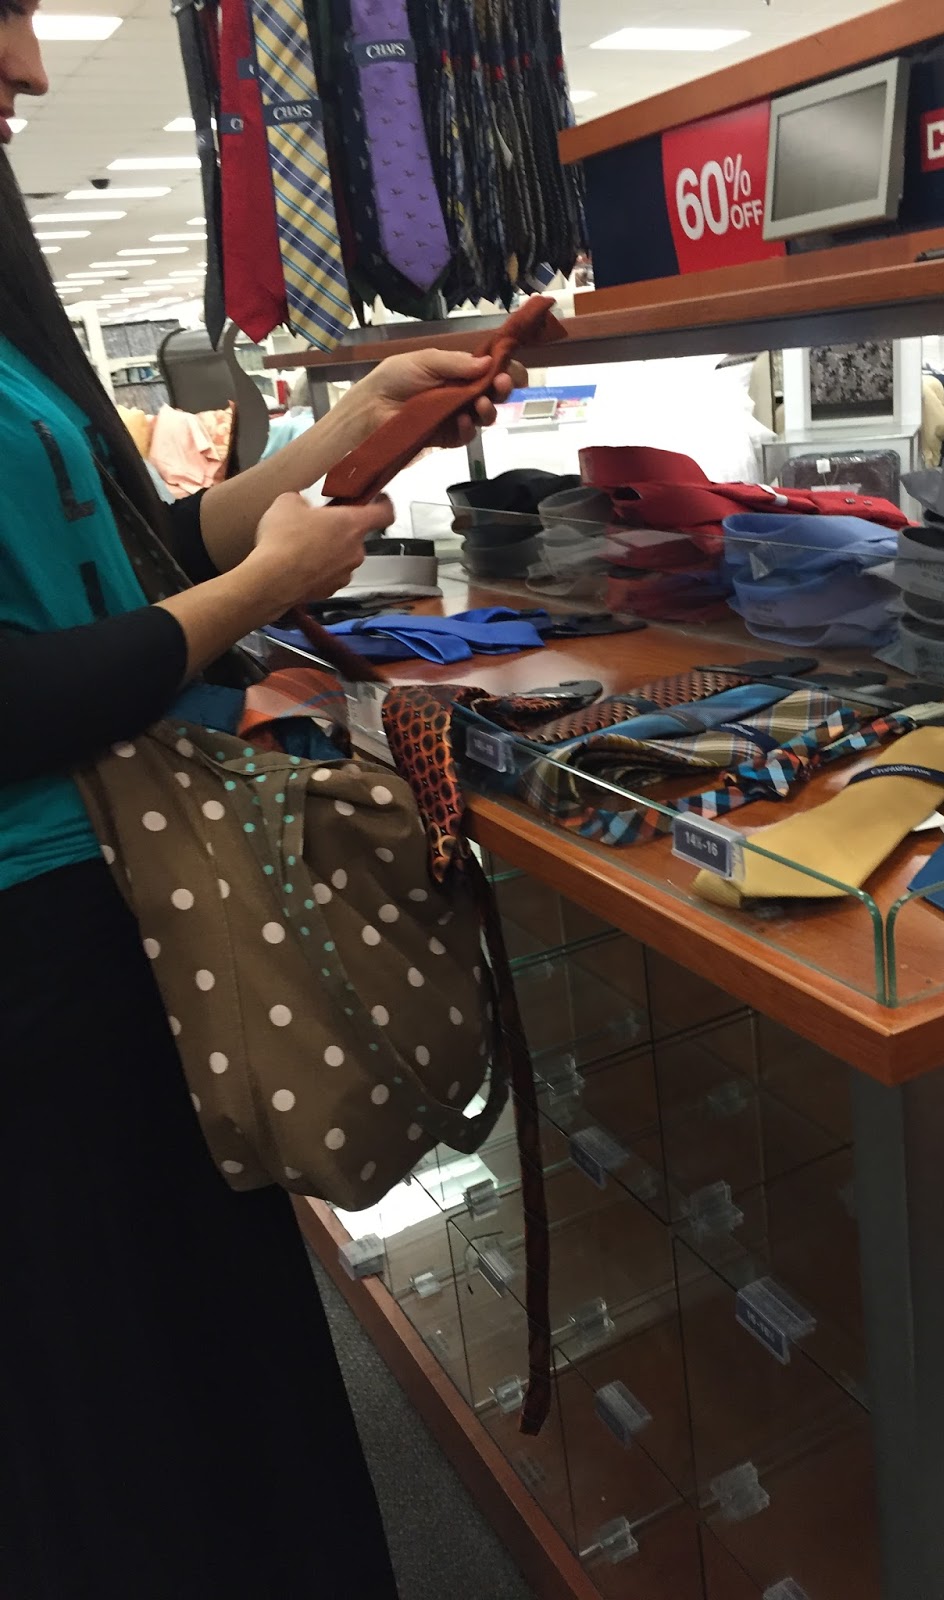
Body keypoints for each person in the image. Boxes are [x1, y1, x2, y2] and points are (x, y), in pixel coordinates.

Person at [0, 8, 525, 1595]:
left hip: (115, 915)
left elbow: (127, 563)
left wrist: (347, 434)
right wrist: (258, 596)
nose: (28, 65)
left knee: (206, 1354)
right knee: (127, 1392)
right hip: (35, 968)